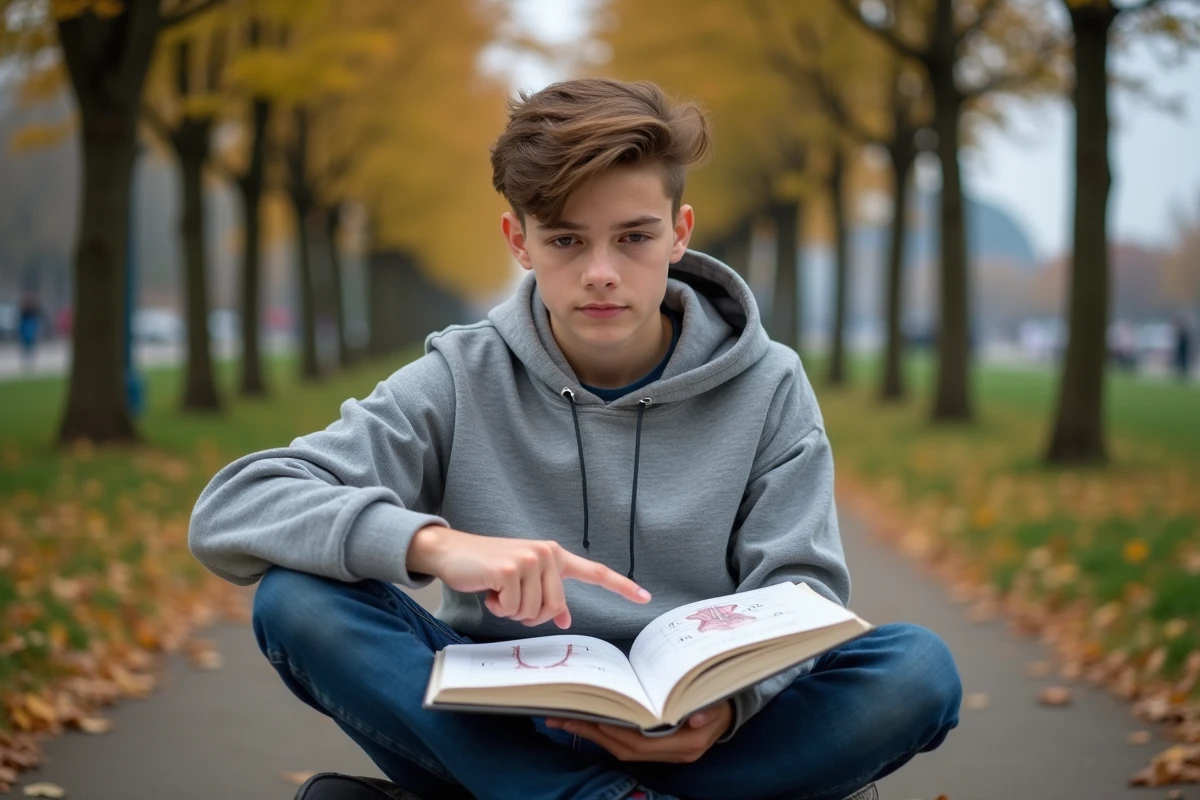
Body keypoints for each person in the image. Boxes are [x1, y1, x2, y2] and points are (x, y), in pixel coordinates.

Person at [189, 78, 961, 800]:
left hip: (709, 733)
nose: (600, 272)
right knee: (297, 600)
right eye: (565, 240)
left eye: (632, 238)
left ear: (678, 234)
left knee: (918, 670)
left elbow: (804, 594)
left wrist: (731, 709)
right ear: (518, 240)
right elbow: (234, 510)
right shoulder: (461, 374)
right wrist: (437, 545)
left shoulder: (769, 384)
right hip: (500, 727)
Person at [17, 295, 43, 370]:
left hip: (29, 329)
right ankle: (27, 361)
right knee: (27, 346)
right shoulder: (26, 312)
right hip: (27, 329)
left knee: (29, 346)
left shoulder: (30, 312)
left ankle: (29, 361)